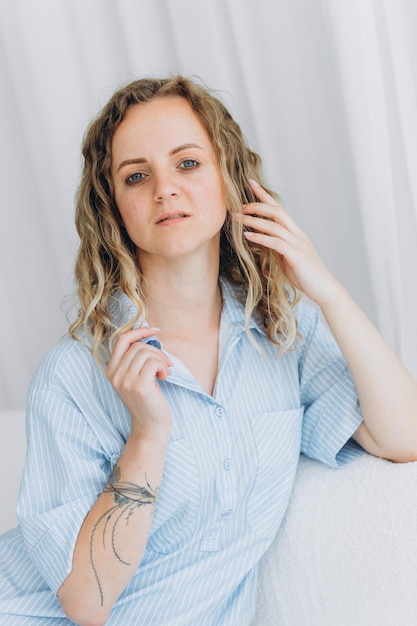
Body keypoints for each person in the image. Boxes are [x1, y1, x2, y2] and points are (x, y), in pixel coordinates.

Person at [0, 75, 416, 626]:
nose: (164, 189)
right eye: (137, 176)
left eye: (188, 163)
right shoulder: (74, 372)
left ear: (230, 178)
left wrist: (326, 289)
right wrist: (147, 434)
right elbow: (85, 602)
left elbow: (405, 437)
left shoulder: (283, 332)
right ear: (113, 207)